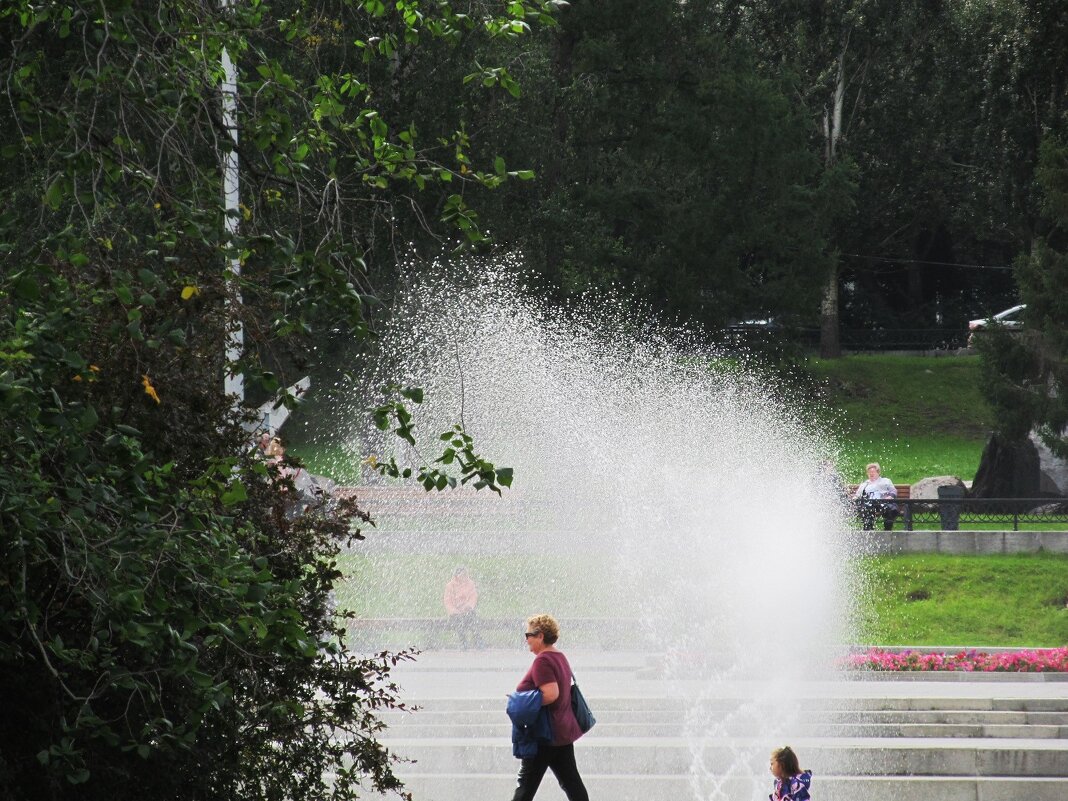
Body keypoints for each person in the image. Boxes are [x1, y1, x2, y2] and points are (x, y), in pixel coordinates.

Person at [509, 614, 589, 801]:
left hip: (544, 734)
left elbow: (551, 694)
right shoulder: (559, 656)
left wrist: (521, 702)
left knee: (525, 787)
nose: (526, 639)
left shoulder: (542, 660)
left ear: (540, 636)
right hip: (562, 732)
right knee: (572, 783)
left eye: (529, 634)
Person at [443, 567, 484, 649]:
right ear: (456, 576)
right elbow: (448, 600)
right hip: (455, 613)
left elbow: (473, 596)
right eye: (461, 575)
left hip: (467, 611)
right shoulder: (450, 586)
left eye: (465, 575)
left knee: (473, 621)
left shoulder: (470, 584)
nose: (463, 577)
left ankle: (478, 640)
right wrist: (454, 611)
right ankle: (463, 642)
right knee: (458, 623)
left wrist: (468, 606)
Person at [853, 461, 898, 531]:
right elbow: (857, 495)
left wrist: (890, 496)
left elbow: (893, 491)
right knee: (866, 509)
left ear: (878, 472)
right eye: (869, 472)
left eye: (873, 472)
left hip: (883, 502)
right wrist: (854, 499)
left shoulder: (885, 481)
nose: (871, 473)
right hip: (869, 504)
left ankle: (887, 530)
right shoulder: (865, 484)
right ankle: (868, 531)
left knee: (889, 509)